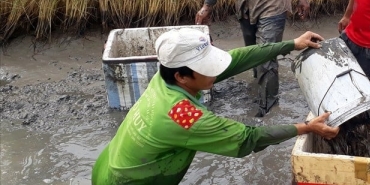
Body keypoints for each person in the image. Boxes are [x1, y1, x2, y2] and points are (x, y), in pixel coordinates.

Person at [92, 28, 339, 185]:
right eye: (208, 68)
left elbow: (236, 60)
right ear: (182, 76)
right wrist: (306, 127)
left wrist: (291, 44)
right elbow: (247, 139)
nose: (216, 71)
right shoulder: (183, 116)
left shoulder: (164, 77)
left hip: (109, 163)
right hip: (127, 181)